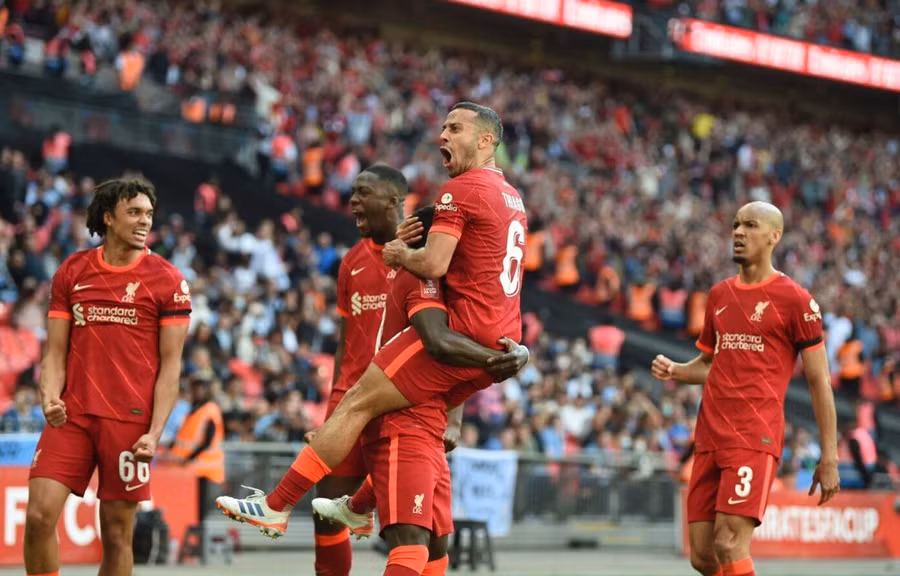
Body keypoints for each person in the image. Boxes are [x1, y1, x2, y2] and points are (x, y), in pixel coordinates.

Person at [215, 102, 527, 554]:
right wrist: (507, 358)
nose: (442, 135)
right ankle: (359, 507)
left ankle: (277, 505)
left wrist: (401, 256)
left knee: (362, 407)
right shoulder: (512, 198)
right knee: (431, 536)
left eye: (455, 128)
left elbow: (434, 280)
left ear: (485, 141)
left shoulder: (456, 199)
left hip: (458, 344)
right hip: (497, 343)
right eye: (442, 126)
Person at [310, 206, 528, 576]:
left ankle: (308, 505)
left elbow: (449, 348)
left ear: (394, 202)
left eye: (365, 193)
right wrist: (332, 414)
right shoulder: (354, 263)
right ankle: (282, 506)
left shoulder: (435, 274)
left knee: (431, 539)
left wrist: (454, 419)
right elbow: (345, 346)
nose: (355, 202)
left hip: (414, 413)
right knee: (333, 512)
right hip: (367, 403)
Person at [650, 201, 839, 576]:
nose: (738, 232)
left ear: (774, 236)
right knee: (703, 557)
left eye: (750, 225)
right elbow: (709, 364)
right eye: (736, 224)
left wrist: (829, 457)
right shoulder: (719, 295)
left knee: (729, 542)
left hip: (754, 436)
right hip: (709, 435)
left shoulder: (796, 300)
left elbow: (820, 380)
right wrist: (676, 370)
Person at [25, 177, 191, 576]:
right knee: (38, 517)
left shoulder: (168, 281)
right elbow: (55, 352)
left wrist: (155, 432)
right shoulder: (73, 271)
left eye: (148, 214)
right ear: (108, 218)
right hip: (73, 415)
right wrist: (49, 397)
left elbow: (171, 368)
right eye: (133, 212)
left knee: (117, 537)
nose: (144, 221)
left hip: (129, 423)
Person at [165, 371, 225, 563]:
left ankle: (199, 550)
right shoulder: (193, 409)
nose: (197, 390)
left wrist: (188, 459)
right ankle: (193, 548)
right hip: (189, 472)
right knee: (191, 512)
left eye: (201, 387)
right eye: (195, 387)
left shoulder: (210, 410)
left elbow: (207, 441)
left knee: (199, 513)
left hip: (204, 471)